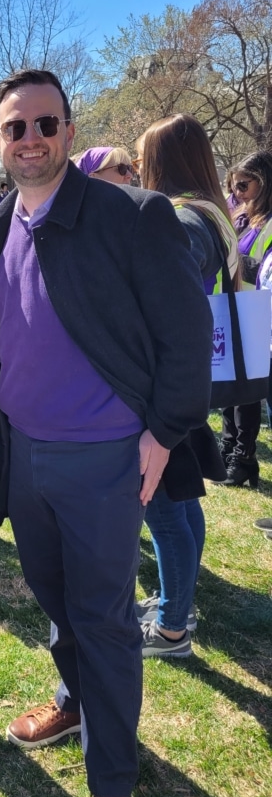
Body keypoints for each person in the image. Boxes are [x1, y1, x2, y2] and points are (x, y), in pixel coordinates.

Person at [0, 70, 212, 797]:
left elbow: (186, 334)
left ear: (69, 131)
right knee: (56, 602)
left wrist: (164, 432)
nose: (29, 140)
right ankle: (75, 703)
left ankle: (113, 792)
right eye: (14, 128)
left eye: (44, 124)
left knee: (103, 620)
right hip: (25, 456)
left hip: (107, 460)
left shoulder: (133, 216)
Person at [135, 114, 238, 658]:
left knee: (162, 506)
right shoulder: (215, 214)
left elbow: (172, 298)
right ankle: (176, 602)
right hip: (192, 375)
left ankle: (173, 628)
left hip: (167, 383)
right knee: (182, 496)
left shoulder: (182, 219)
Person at [220, 150, 272, 487]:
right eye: (232, 185)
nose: (236, 192)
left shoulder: (267, 222)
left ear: (264, 184)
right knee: (227, 383)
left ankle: (243, 457)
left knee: (247, 390)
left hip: (256, 311)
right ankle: (227, 447)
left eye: (243, 185)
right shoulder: (237, 214)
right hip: (232, 305)